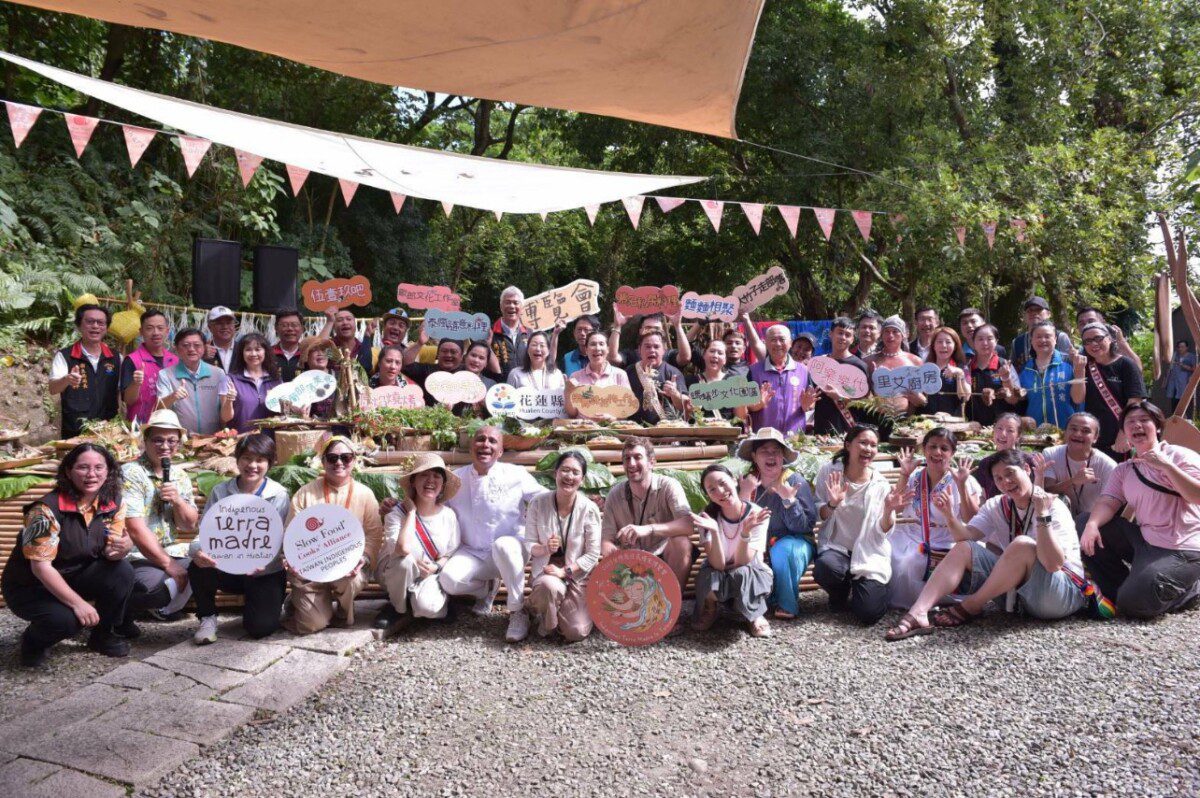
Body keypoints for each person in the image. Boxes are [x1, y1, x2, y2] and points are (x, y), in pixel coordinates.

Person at [885, 449, 1086, 640]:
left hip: (1056, 594)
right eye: (998, 478)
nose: (1006, 482)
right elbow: (965, 536)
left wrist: (1043, 515)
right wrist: (949, 516)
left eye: (1010, 473)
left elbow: (1053, 565)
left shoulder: (1053, 505)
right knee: (965, 548)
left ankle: (972, 605)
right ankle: (919, 612)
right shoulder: (997, 505)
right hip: (1018, 596)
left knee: (1022, 544)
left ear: (1026, 469)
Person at [2, 443, 134, 665]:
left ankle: (103, 634)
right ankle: (33, 642)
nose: (92, 474)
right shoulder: (45, 510)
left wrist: (123, 547)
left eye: (99, 467)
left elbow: (111, 551)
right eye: (83, 467)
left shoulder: (113, 502)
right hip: (33, 586)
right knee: (68, 621)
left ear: (109, 471)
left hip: (75, 575)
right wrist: (78, 604)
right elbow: (40, 567)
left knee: (122, 571)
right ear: (68, 472)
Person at [1081, 401, 1200, 617]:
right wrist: (1092, 525)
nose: (1137, 425)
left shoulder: (1180, 456)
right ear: (1125, 432)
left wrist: (1166, 466)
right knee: (1083, 523)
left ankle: (1190, 591)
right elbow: (1108, 502)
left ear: (1158, 427)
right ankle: (1124, 588)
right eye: (1130, 422)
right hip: (1145, 540)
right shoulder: (1125, 469)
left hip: (1182, 548)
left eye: (1144, 420)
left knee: (1134, 605)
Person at [442, 426, 547, 642]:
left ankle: (518, 611)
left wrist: (578, 498)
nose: (485, 445)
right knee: (449, 580)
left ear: (500, 451)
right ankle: (486, 588)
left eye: (492, 441)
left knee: (503, 546)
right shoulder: (455, 479)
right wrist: (398, 506)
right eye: (480, 440)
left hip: (512, 548)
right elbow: (433, 505)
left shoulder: (515, 474)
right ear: (471, 446)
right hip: (471, 550)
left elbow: (544, 498)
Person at [189, 433, 290, 643]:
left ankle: (271, 604)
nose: (252, 465)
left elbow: (279, 540)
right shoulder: (220, 491)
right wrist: (196, 550)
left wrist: (265, 560)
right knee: (197, 566)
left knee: (260, 628)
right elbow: (205, 534)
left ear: (269, 463)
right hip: (228, 568)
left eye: (260, 460)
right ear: (237, 460)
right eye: (246, 458)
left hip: (264, 572)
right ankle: (207, 618)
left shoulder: (278, 494)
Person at [284, 436, 383, 634]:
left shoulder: (364, 494)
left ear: (354, 460)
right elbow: (291, 534)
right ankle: (299, 603)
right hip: (312, 570)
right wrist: (293, 559)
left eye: (345, 458)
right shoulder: (306, 494)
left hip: (350, 569)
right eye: (332, 458)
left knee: (347, 578)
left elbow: (373, 534)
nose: (339, 463)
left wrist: (362, 558)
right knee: (311, 625)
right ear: (323, 462)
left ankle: (342, 612)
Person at [813, 425, 905, 625]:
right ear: (848, 445)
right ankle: (839, 593)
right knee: (825, 568)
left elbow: (883, 531)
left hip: (868, 553)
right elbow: (819, 514)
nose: (868, 449)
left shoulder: (879, 484)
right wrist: (832, 504)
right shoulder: (830, 472)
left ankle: (867, 587)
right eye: (863, 442)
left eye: (873, 445)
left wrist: (889, 511)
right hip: (837, 549)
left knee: (868, 614)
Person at [889, 427, 982, 608]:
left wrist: (962, 486)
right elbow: (897, 507)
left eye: (944, 448)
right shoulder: (915, 476)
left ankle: (922, 604)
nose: (937, 452)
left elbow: (972, 518)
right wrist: (904, 474)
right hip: (914, 533)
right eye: (932, 447)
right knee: (887, 549)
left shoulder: (962, 478)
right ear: (924, 450)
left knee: (912, 560)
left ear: (952, 453)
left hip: (949, 537)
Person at [122, 410, 197, 627]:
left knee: (206, 568)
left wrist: (178, 501)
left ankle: (164, 607)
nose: (165, 446)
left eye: (171, 441)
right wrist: (170, 565)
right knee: (156, 588)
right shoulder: (131, 473)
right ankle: (117, 611)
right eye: (158, 440)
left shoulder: (180, 476)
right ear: (145, 441)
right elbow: (134, 528)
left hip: (172, 548)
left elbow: (189, 524)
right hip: (138, 555)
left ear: (179, 443)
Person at [375, 453, 462, 634]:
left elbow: (449, 553)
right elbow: (401, 549)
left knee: (427, 609)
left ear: (442, 485)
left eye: (436, 476)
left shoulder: (448, 516)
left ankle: (423, 604)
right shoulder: (395, 513)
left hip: (427, 574)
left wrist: (436, 567)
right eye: (424, 475)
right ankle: (397, 609)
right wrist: (412, 513)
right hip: (393, 573)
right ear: (413, 481)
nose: (430, 480)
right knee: (405, 562)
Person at [735, 428, 817, 620]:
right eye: (764, 450)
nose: (771, 456)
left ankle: (786, 603)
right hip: (756, 544)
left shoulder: (795, 481)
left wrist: (789, 502)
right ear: (754, 456)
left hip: (794, 542)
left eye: (776, 451)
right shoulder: (748, 483)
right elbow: (735, 523)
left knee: (782, 550)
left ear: (783, 457)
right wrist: (744, 496)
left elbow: (804, 527)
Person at [525, 451, 602, 642]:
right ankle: (544, 616)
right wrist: (544, 549)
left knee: (576, 631)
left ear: (582, 480)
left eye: (575, 472)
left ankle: (547, 613)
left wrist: (565, 571)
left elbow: (593, 554)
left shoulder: (589, 508)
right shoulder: (538, 503)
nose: (569, 476)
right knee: (549, 586)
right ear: (555, 474)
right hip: (547, 573)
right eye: (565, 470)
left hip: (576, 575)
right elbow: (529, 544)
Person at [690, 464, 774, 638]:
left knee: (742, 572)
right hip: (720, 575)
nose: (720, 491)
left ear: (734, 480)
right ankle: (710, 608)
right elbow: (718, 564)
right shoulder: (707, 518)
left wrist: (745, 532)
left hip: (751, 574)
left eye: (722, 483)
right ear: (708, 495)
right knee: (709, 575)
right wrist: (713, 530)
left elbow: (743, 561)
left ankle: (755, 614)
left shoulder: (756, 514)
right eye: (712, 489)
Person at [601, 437, 696, 588]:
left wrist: (649, 529)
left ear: (652, 462)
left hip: (664, 557)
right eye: (627, 459)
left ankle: (672, 605)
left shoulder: (669, 486)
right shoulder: (614, 494)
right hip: (630, 561)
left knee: (682, 542)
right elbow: (606, 540)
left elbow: (688, 525)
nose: (631, 464)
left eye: (638, 457)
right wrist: (613, 554)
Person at [1071, 321, 1148, 457]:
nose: (1094, 344)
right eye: (1087, 341)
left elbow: (1135, 402)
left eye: (1098, 338)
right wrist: (1079, 371)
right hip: (1094, 435)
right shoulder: (1084, 366)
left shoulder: (1126, 364)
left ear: (1110, 339)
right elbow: (1078, 398)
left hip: (1121, 436)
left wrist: (1124, 433)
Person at [50, 304, 122, 438]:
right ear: (79, 325)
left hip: (108, 430)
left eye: (100, 323)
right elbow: (53, 388)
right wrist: (66, 380)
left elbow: (121, 392)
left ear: (106, 328)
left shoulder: (116, 358)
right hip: (75, 431)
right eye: (90, 322)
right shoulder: (65, 356)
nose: (95, 326)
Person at [1042, 412, 1118, 518]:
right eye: (1073, 429)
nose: (1078, 434)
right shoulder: (1050, 453)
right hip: (1058, 518)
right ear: (1065, 432)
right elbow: (1046, 491)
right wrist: (1073, 481)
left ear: (1095, 437)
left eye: (1085, 431)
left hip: (1092, 520)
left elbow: (1109, 505)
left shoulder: (1108, 465)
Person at [157, 328, 228, 435]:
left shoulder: (218, 374)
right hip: (180, 440)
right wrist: (173, 396)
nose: (191, 349)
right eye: (185, 345)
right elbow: (159, 408)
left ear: (204, 348)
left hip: (213, 439)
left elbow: (224, 409)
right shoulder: (165, 374)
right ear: (176, 349)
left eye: (197, 345)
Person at [747, 324, 812, 434]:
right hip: (763, 438)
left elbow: (810, 403)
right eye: (773, 340)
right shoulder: (753, 371)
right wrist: (757, 405)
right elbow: (744, 406)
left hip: (795, 438)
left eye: (782, 339)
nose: (777, 344)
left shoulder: (804, 371)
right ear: (766, 343)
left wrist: (807, 406)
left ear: (790, 343)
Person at [807, 317, 868, 435]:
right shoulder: (819, 364)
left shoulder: (859, 366)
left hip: (849, 429)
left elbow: (864, 403)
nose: (843, 338)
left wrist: (839, 397)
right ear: (831, 334)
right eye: (840, 333)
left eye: (848, 335)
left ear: (852, 339)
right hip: (821, 428)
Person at [1019, 321, 1080, 429]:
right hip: (1035, 432)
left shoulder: (1070, 362)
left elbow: (1078, 399)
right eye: (1038, 337)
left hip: (1066, 429)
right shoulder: (1025, 368)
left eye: (1047, 336)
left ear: (1055, 339)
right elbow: (1021, 399)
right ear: (1031, 341)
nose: (1043, 340)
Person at [121, 309, 178, 424]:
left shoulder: (175, 360)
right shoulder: (132, 360)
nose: (156, 332)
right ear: (141, 332)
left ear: (167, 331)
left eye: (160, 328)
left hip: (171, 426)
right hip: (140, 427)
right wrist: (136, 383)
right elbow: (128, 400)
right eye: (149, 328)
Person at [220, 332, 282, 433]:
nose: (253, 354)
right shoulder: (230, 380)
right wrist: (229, 400)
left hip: (270, 442)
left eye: (258, 349)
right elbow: (225, 418)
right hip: (241, 441)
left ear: (265, 352)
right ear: (241, 353)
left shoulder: (276, 380)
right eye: (248, 349)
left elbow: (283, 414)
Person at [625, 331, 689, 425]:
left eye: (656, 347)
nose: (652, 350)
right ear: (639, 350)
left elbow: (686, 406)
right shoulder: (628, 373)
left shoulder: (673, 372)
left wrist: (674, 394)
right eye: (647, 346)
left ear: (664, 350)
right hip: (635, 432)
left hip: (668, 432)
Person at [865, 316, 925, 417]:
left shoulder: (915, 361)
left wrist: (921, 400)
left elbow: (924, 397)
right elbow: (862, 395)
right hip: (877, 419)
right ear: (881, 335)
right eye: (887, 331)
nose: (890, 335)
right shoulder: (869, 361)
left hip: (909, 420)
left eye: (895, 331)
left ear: (903, 335)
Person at [965, 324, 1022, 425]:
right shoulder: (967, 367)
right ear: (973, 342)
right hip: (975, 426)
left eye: (989, 339)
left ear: (996, 341)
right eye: (980, 339)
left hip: (1003, 427)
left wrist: (1006, 378)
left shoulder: (1005, 365)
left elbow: (1013, 400)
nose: (985, 343)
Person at [972, 413, 1037, 499]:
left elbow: (1037, 493)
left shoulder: (1029, 461)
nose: (1003, 434)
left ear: (1018, 436)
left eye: (1010, 430)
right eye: (999, 428)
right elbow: (983, 497)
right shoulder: (985, 463)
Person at [608, 308, 692, 371]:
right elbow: (612, 358)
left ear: (662, 331)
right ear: (640, 331)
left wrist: (678, 326)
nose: (652, 331)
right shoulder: (630, 354)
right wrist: (617, 326)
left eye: (656, 328)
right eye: (648, 328)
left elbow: (685, 358)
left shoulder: (669, 355)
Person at [690, 339, 749, 425]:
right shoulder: (691, 381)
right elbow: (686, 415)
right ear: (704, 355)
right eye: (712, 351)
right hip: (698, 435)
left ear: (725, 360)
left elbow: (740, 418)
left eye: (720, 353)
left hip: (726, 436)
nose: (715, 355)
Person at [1010, 296, 1073, 371]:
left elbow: (1069, 363)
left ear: (1048, 314)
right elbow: (1013, 370)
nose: (1033, 313)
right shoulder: (1017, 342)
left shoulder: (1060, 337)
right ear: (1024, 316)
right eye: (1029, 310)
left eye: (1038, 310)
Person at [1076, 307, 1143, 372]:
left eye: (1091, 321)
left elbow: (1138, 369)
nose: (1087, 325)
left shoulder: (1116, 346)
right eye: (1082, 324)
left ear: (1103, 323)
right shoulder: (1080, 353)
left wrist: (1122, 342)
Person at [922, 327, 971, 416]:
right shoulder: (926, 368)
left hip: (953, 422)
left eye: (948, 342)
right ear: (933, 345)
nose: (944, 345)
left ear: (955, 345)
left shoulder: (963, 368)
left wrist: (960, 374)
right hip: (928, 421)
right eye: (939, 342)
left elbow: (966, 397)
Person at [404, 338, 466, 406]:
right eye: (444, 351)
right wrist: (420, 343)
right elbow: (406, 364)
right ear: (437, 353)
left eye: (453, 352)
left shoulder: (468, 374)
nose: (448, 355)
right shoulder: (427, 370)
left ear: (461, 356)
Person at [490, 286, 530, 380]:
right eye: (507, 302)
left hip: (525, 390)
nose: (512, 306)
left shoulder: (530, 334)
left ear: (522, 307)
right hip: (496, 390)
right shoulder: (489, 334)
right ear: (501, 306)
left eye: (516, 303)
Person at [295, 337, 338, 420]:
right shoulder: (301, 380)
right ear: (306, 356)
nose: (320, 353)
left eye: (323, 349)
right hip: (312, 429)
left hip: (339, 428)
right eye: (315, 350)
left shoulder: (340, 376)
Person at [1165, 340, 1196, 417]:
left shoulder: (1191, 356)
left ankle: (1182, 417)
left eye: (1182, 347)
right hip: (1174, 381)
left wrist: (1183, 365)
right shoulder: (1176, 356)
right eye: (1179, 347)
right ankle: (1174, 417)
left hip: (1184, 382)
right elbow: (1170, 367)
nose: (1180, 348)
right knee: (1173, 399)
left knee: (1182, 399)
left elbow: (1195, 369)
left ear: (1187, 347)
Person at [273, 310, 306, 382]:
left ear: (302, 329)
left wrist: (329, 322)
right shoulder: (267, 353)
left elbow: (331, 356)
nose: (290, 329)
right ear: (276, 328)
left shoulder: (308, 353)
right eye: (284, 325)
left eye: (294, 325)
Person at [203, 306, 238, 372]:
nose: (225, 327)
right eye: (219, 323)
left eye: (229, 323)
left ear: (234, 326)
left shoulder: (243, 349)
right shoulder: (203, 351)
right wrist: (200, 357)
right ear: (210, 327)